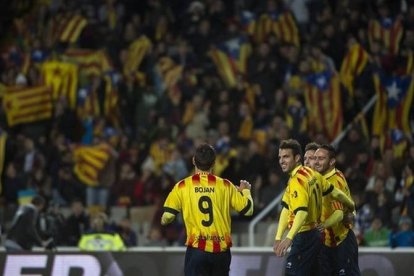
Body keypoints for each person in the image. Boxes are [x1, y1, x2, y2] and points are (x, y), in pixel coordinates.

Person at [161, 143, 253, 276]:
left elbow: (168, 216)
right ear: (214, 163)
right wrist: (245, 192)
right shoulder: (226, 186)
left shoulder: (182, 186)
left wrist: (164, 220)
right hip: (221, 252)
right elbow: (248, 210)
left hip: (197, 249)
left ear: (193, 160)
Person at [273, 139, 355, 276]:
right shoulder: (313, 176)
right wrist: (278, 236)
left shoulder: (299, 180)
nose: (281, 160)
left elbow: (302, 212)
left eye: (286, 156)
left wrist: (288, 237)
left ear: (296, 158)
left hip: (311, 235)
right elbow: (286, 208)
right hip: (317, 237)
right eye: (280, 157)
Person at [314, 144, 361, 276]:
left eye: (321, 158)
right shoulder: (323, 178)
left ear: (332, 161)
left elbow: (339, 213)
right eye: (315, 158)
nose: (317, 161)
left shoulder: (334, 181)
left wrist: (322, 226)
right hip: (326, 242)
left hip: (341, 241)